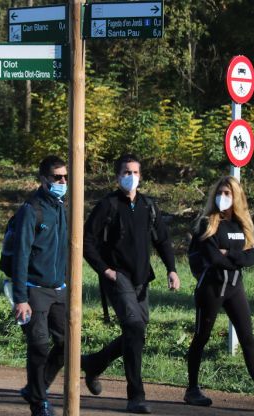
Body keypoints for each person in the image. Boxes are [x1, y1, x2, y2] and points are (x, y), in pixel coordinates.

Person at [82, 154, 180, 414]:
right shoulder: (108, 205)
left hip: (142, 279)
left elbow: (162, 240)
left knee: (136, 332)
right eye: (126, 172)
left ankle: (94, 362)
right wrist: (105, 270)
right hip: (118, 277)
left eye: (135, 172)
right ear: (117, 176)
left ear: (141, 176)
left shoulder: (149, 206)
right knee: (134, 328)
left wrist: (172, 269)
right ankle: (135, 396)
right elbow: (86, 241)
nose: (131, 177)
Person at [184, 176, 254, 409]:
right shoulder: (206, 224)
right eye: (220, 192)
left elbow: (252, 257)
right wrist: (235, 258)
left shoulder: (243, 225)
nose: (223, 197)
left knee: (247, 339)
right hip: (211, 288)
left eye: (228, 193)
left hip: (235, 288)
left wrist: (228, 254)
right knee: (201, 337)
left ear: (236, 197)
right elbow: (212, 258)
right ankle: (192, 390)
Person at [11, 156, 69, 416]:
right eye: (58, 178)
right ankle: (38, 403)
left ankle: (38, 387)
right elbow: (21, 255)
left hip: (59, 289)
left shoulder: (62, 208)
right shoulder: (31, 209)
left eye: (66, 177)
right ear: (44, 179)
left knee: (67, 343)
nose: (63, 182)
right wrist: (20, 298)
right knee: (39, 344)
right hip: (34, 289)